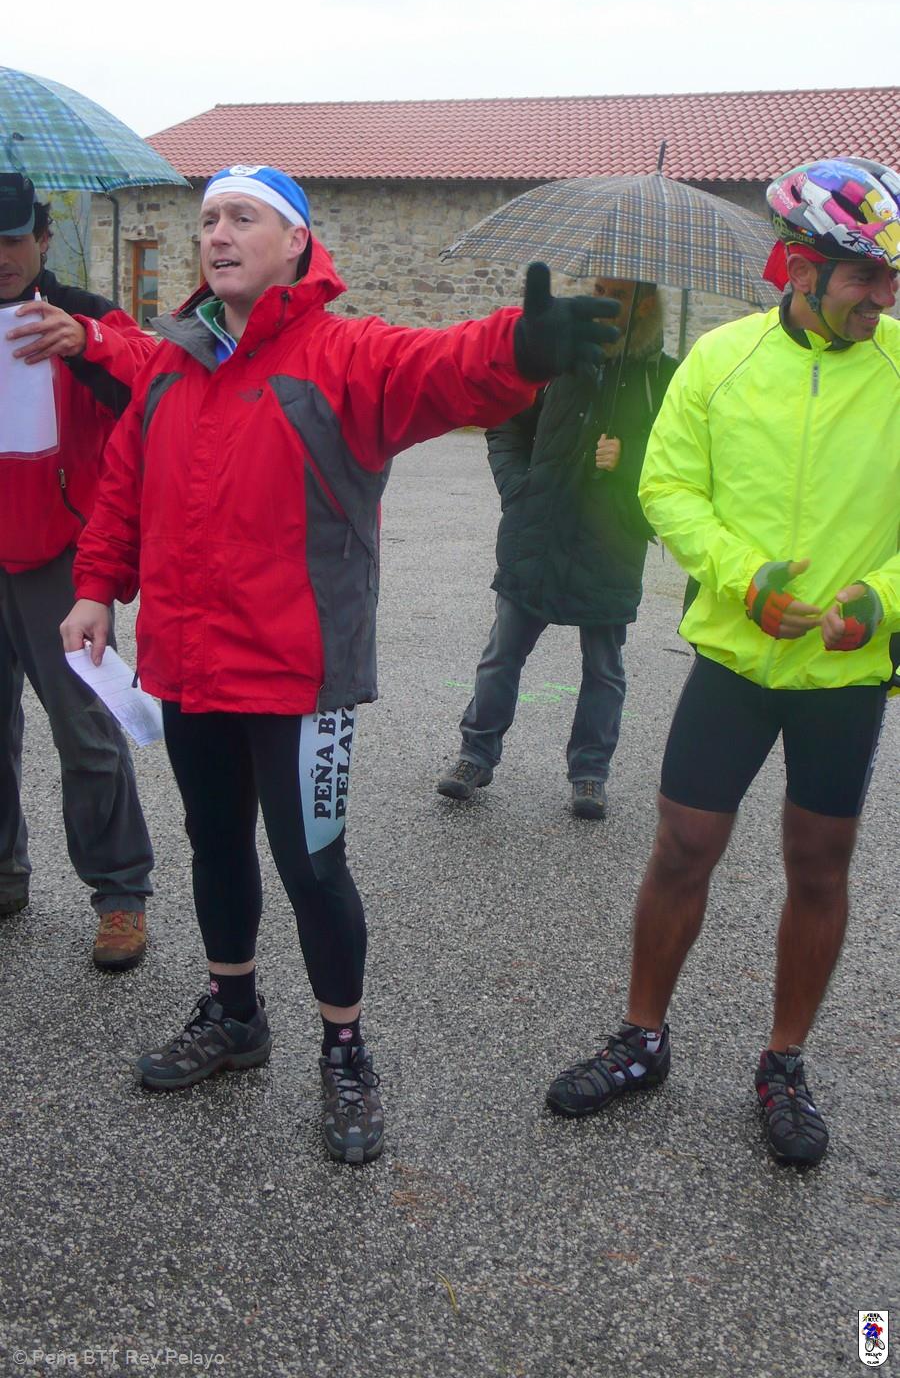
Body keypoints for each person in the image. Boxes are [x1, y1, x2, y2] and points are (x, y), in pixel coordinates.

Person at [60, 165, 611, 1164]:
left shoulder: (341, 354)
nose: (218, 234)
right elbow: (122, 488)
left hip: (300, 677)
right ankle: (234, 1012)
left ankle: (345, 1048)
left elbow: (439, 366)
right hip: (189, 666)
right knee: (214, 844)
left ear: (297, 244)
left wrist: (520, 347)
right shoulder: (172, 362)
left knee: (313, 867)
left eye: (243, 218)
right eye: (208, 219)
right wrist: (97, 585)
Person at [545, 157, 900, 1167]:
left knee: (819, 866)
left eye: (891, 278)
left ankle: (784, 1062)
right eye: (866, 276)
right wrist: (745, 580)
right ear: (801, 269)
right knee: (682, 846)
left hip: (846, 674)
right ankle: (641, 1037)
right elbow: (667, 487)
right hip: (738, 660)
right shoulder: (720, 358)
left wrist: (881, 600)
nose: (884, 296)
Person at [437, 280, 677, 819]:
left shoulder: (663, 378)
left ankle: (589, 773)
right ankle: (475, 755)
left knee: (604, 667)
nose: (605, 302)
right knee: (503, 653)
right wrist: (518, 489)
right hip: (539, 529)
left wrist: (631, 459)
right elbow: (505, 423)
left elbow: (685, 458)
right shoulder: (558, 359)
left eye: (619, 295)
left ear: (645, 305)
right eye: (600, 290)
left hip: (610, 540)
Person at [0, 172, 155, 970]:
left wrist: (89, 343)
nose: (0, 256)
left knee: (88, 730)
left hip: (60, 559)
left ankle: (120, 892)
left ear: (42, 238)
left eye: (11, 239)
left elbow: (158, 384)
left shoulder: (84, 313)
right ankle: (5, 873)